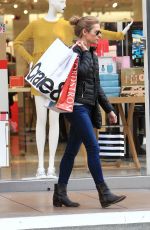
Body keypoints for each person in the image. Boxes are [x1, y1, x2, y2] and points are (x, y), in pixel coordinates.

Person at [14, 0, 133, 179]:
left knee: (54, 122)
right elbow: (17, 42)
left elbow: (95, 31)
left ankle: (51, 168)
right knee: (41, 121)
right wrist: (31, 60)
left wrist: (119, 35)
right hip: (41, 77)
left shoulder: (65, 26)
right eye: (61, 0)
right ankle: (40, 166)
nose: (64, 3)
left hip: (58, 78)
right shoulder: (35, 24)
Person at [53, 15, 126, 208]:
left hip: (86, 106)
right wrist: (84, 53)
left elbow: (96, 85)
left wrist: (109, 109)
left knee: (71, 151)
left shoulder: (91, 53)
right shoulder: (74, 52)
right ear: (84, 33)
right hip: (76, 107)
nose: (99, 35)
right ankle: (104, 193)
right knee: (93, 147)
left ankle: (60, 193)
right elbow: (81, 74)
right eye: (96, 32)